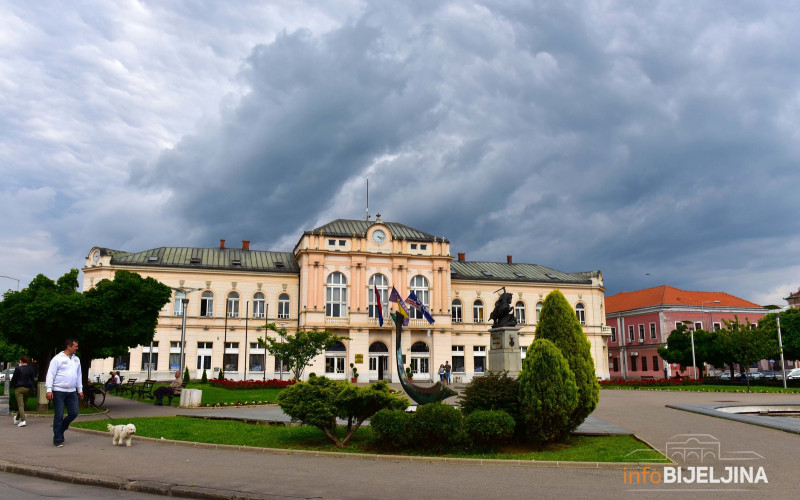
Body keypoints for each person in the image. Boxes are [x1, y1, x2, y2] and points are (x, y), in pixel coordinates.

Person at [45, 338, 83, 447]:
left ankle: (60, 429)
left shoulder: (76, 360)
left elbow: (79, 375)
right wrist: (49, 390)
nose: (77, 348)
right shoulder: (57, 359)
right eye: (75, 346)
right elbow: (50, 374)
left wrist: (80, 390)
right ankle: (57, 439)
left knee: (74, 413)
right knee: (59, 415)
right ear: (69, 346)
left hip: (71, 391)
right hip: (58, 391)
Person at [11, 355, 36, 428]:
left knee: (20, 405)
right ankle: (16, 419)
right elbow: (32, 379)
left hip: (19, 388)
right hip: (27, 388)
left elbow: (14, 378)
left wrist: (12, 386)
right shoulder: (31, 369)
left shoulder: (18, 369)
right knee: (22, 404)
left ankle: (23, 420)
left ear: (21, 361)